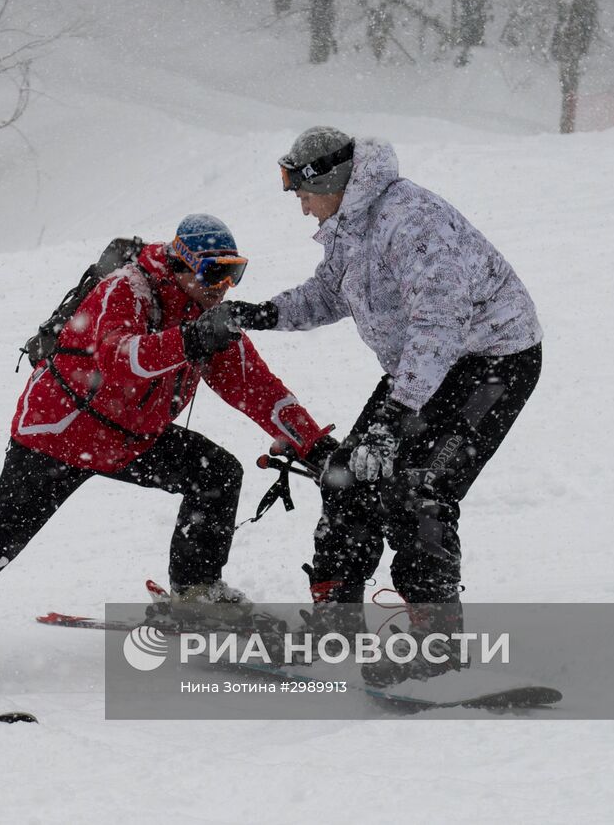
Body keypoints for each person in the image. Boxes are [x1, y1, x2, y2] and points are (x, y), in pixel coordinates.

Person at [0, 214, 333, 698]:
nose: (224, 287)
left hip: (129, 440)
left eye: (236, 273)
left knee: (216, 473)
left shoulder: (203, 317)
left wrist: (316, 446)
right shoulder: (129, 289)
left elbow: (258, 389)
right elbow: (123, 361)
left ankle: (196, 595)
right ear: (182, 263)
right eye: (214, 273)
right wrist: (191, 340)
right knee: (0, 537)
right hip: (59, 435)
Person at [222, 127, 543, 685]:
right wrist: (255, 315)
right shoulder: (350, 224)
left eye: (300, 191)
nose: (299, 206)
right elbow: (326, 294)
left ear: (331, 181)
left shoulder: (412, 222)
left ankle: (437, 646)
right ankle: (336, 625)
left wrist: (393, 421)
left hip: (492, 360)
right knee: (347, 475)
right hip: (422, 368)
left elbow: (440, 324)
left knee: (419, 489)